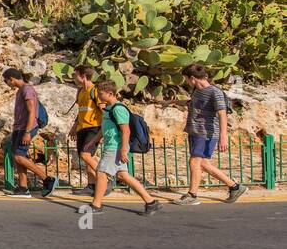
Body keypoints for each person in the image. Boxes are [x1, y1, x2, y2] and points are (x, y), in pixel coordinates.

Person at [175, 63, 249, 205]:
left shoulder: (215, 92)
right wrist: (171, 101)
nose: (187, 83)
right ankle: (235, 187)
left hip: (206, 132)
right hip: (195, 131)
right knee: (204, 164)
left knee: (195, 161)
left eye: (186, 79)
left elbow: (222, 114)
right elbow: (193, 103)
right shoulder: (197, 91)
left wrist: (223, 137)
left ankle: (193, 195)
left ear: (192, 78)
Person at [88, 82, 162, 215]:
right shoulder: (109, 108)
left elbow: (126, 130)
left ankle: (96, 205)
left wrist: (123, 149)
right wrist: (94, 140)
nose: (98, 96)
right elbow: (105, 128)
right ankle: (151, 202)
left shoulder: (118, 109)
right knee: (123, 175)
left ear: (110, 94)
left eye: (101, 93)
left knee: (101, 173)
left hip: (115, 147)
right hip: (113, 146)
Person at [2, 68, 57, 197]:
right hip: (19, 128)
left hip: (27, 128)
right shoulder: (20, 91)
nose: (6, 84)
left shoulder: (27, 90)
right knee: (19, 158)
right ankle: (23, 187)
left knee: (19, 156)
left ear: (12, 79)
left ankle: (47, 179)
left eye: (6, 81)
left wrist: (27, 131)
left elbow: (32, 111)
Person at [67, 65, 106, 196]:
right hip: (82, 127)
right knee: (88, 157)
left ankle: (105, 177)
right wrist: (74, 127)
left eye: (75, 74)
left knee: (86, 155)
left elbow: (103, 109)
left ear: (83, 76)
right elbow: (81, 110)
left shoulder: (95, 91)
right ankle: (91, 185)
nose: (73, 77)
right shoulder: (81, 91)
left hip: (94, 127)